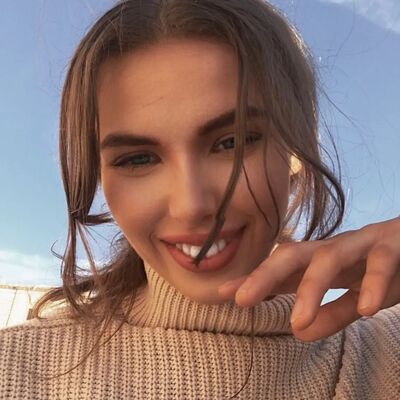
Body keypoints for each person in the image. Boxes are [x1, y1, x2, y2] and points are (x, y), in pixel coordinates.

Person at [1, 0, 399, 399]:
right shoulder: (14, 369)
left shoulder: (385, 355)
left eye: (232, 142)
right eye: (137, 159)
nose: (191, 206)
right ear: (101, 176)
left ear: (298, 149)